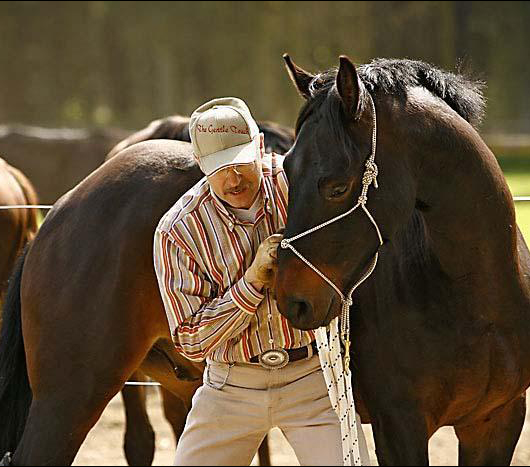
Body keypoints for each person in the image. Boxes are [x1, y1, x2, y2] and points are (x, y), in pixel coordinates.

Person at [154, 97, 370, 465]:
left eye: (240, 162)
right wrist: (251, 283)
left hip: (312, 379)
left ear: (259, 146)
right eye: (219, 168)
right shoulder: (178, 231)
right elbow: (190, 340)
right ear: (200, 165)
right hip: (229, 387)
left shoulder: (301, 188)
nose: (233, 178)